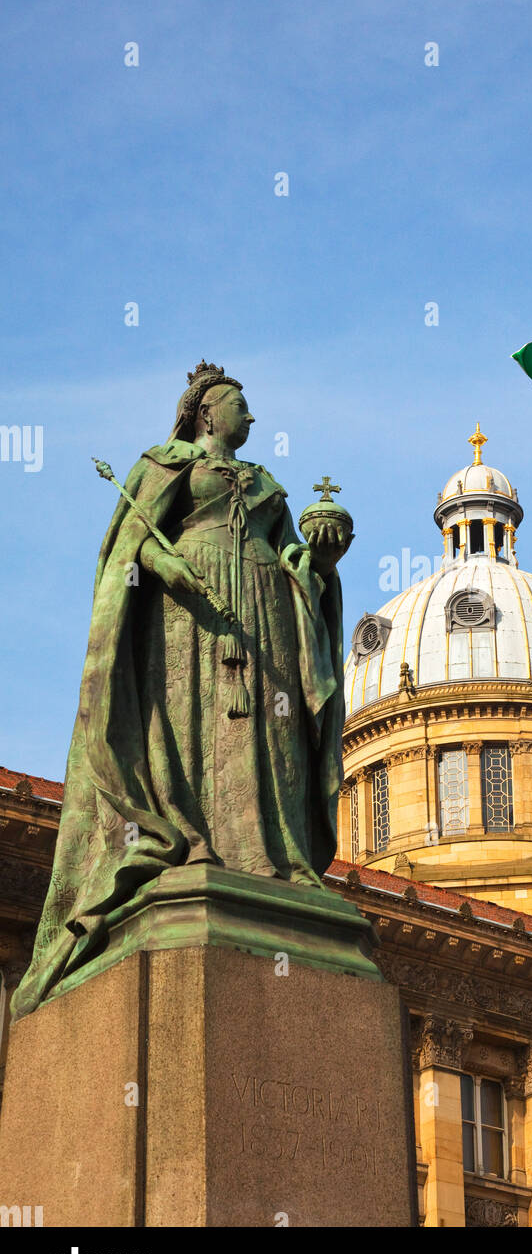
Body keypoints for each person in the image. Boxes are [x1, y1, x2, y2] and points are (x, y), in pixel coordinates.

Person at [12, 361, 351, 1020]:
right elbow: (132, 544)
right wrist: (170, 565)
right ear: (206, 413)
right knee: (198, 724)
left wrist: (323, 559)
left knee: (269, 730)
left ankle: (272, 858)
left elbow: (294, 560)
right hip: (188, 609)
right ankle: (196, 843)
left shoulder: (267, 485)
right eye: (239, 406)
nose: (250, 418)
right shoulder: (167, 463)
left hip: (264, 611)